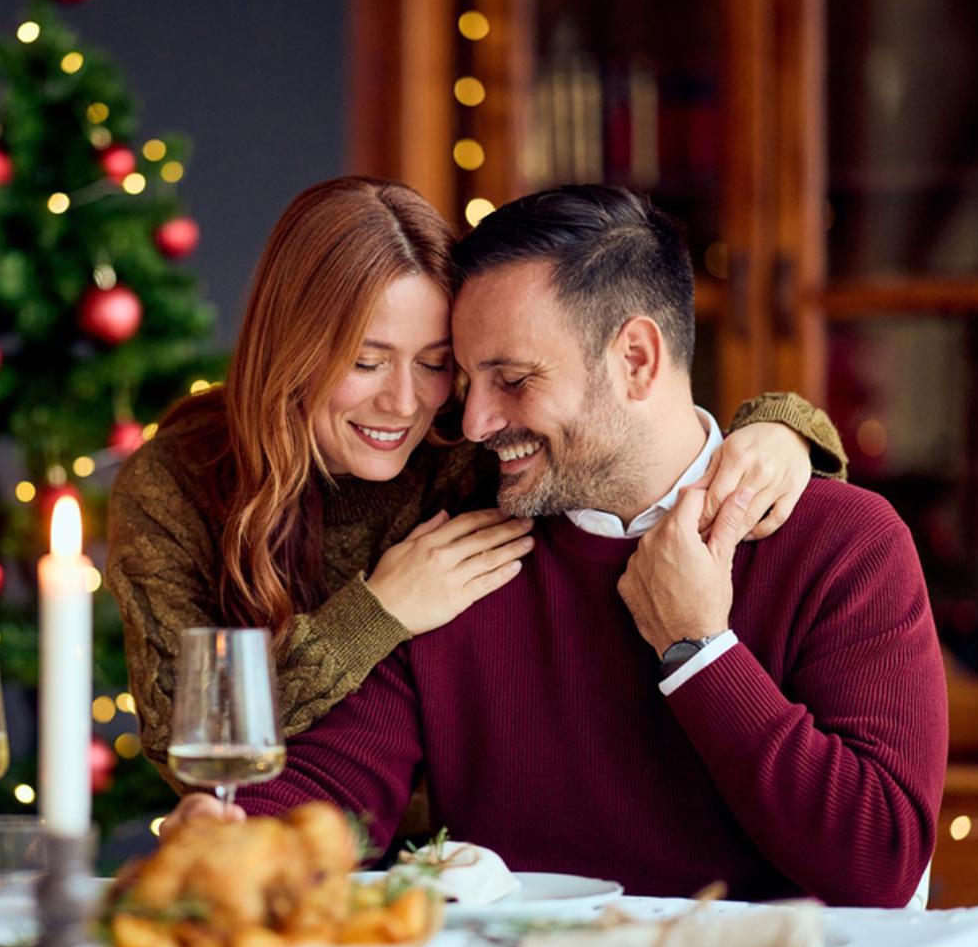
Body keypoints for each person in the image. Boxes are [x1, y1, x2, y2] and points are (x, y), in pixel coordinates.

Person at [164, 186, 947, 908]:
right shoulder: (464, 552)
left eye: (512, 379)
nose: (472, 424)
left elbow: (879, 863)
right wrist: (233, 829)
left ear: (635, 360)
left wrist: (698, 651)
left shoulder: (844, 544)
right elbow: (339, 783)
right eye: (466, 379)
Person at [107, 176, 847, 790]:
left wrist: (782, 426)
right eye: (366, 362)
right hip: (292, 842)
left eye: (435, 363)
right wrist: (377, 614)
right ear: (292, 350)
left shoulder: (468, 443)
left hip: (461, 869)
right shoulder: (178, 484)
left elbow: (627, 433)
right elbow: (186, 742)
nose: (407, 403)